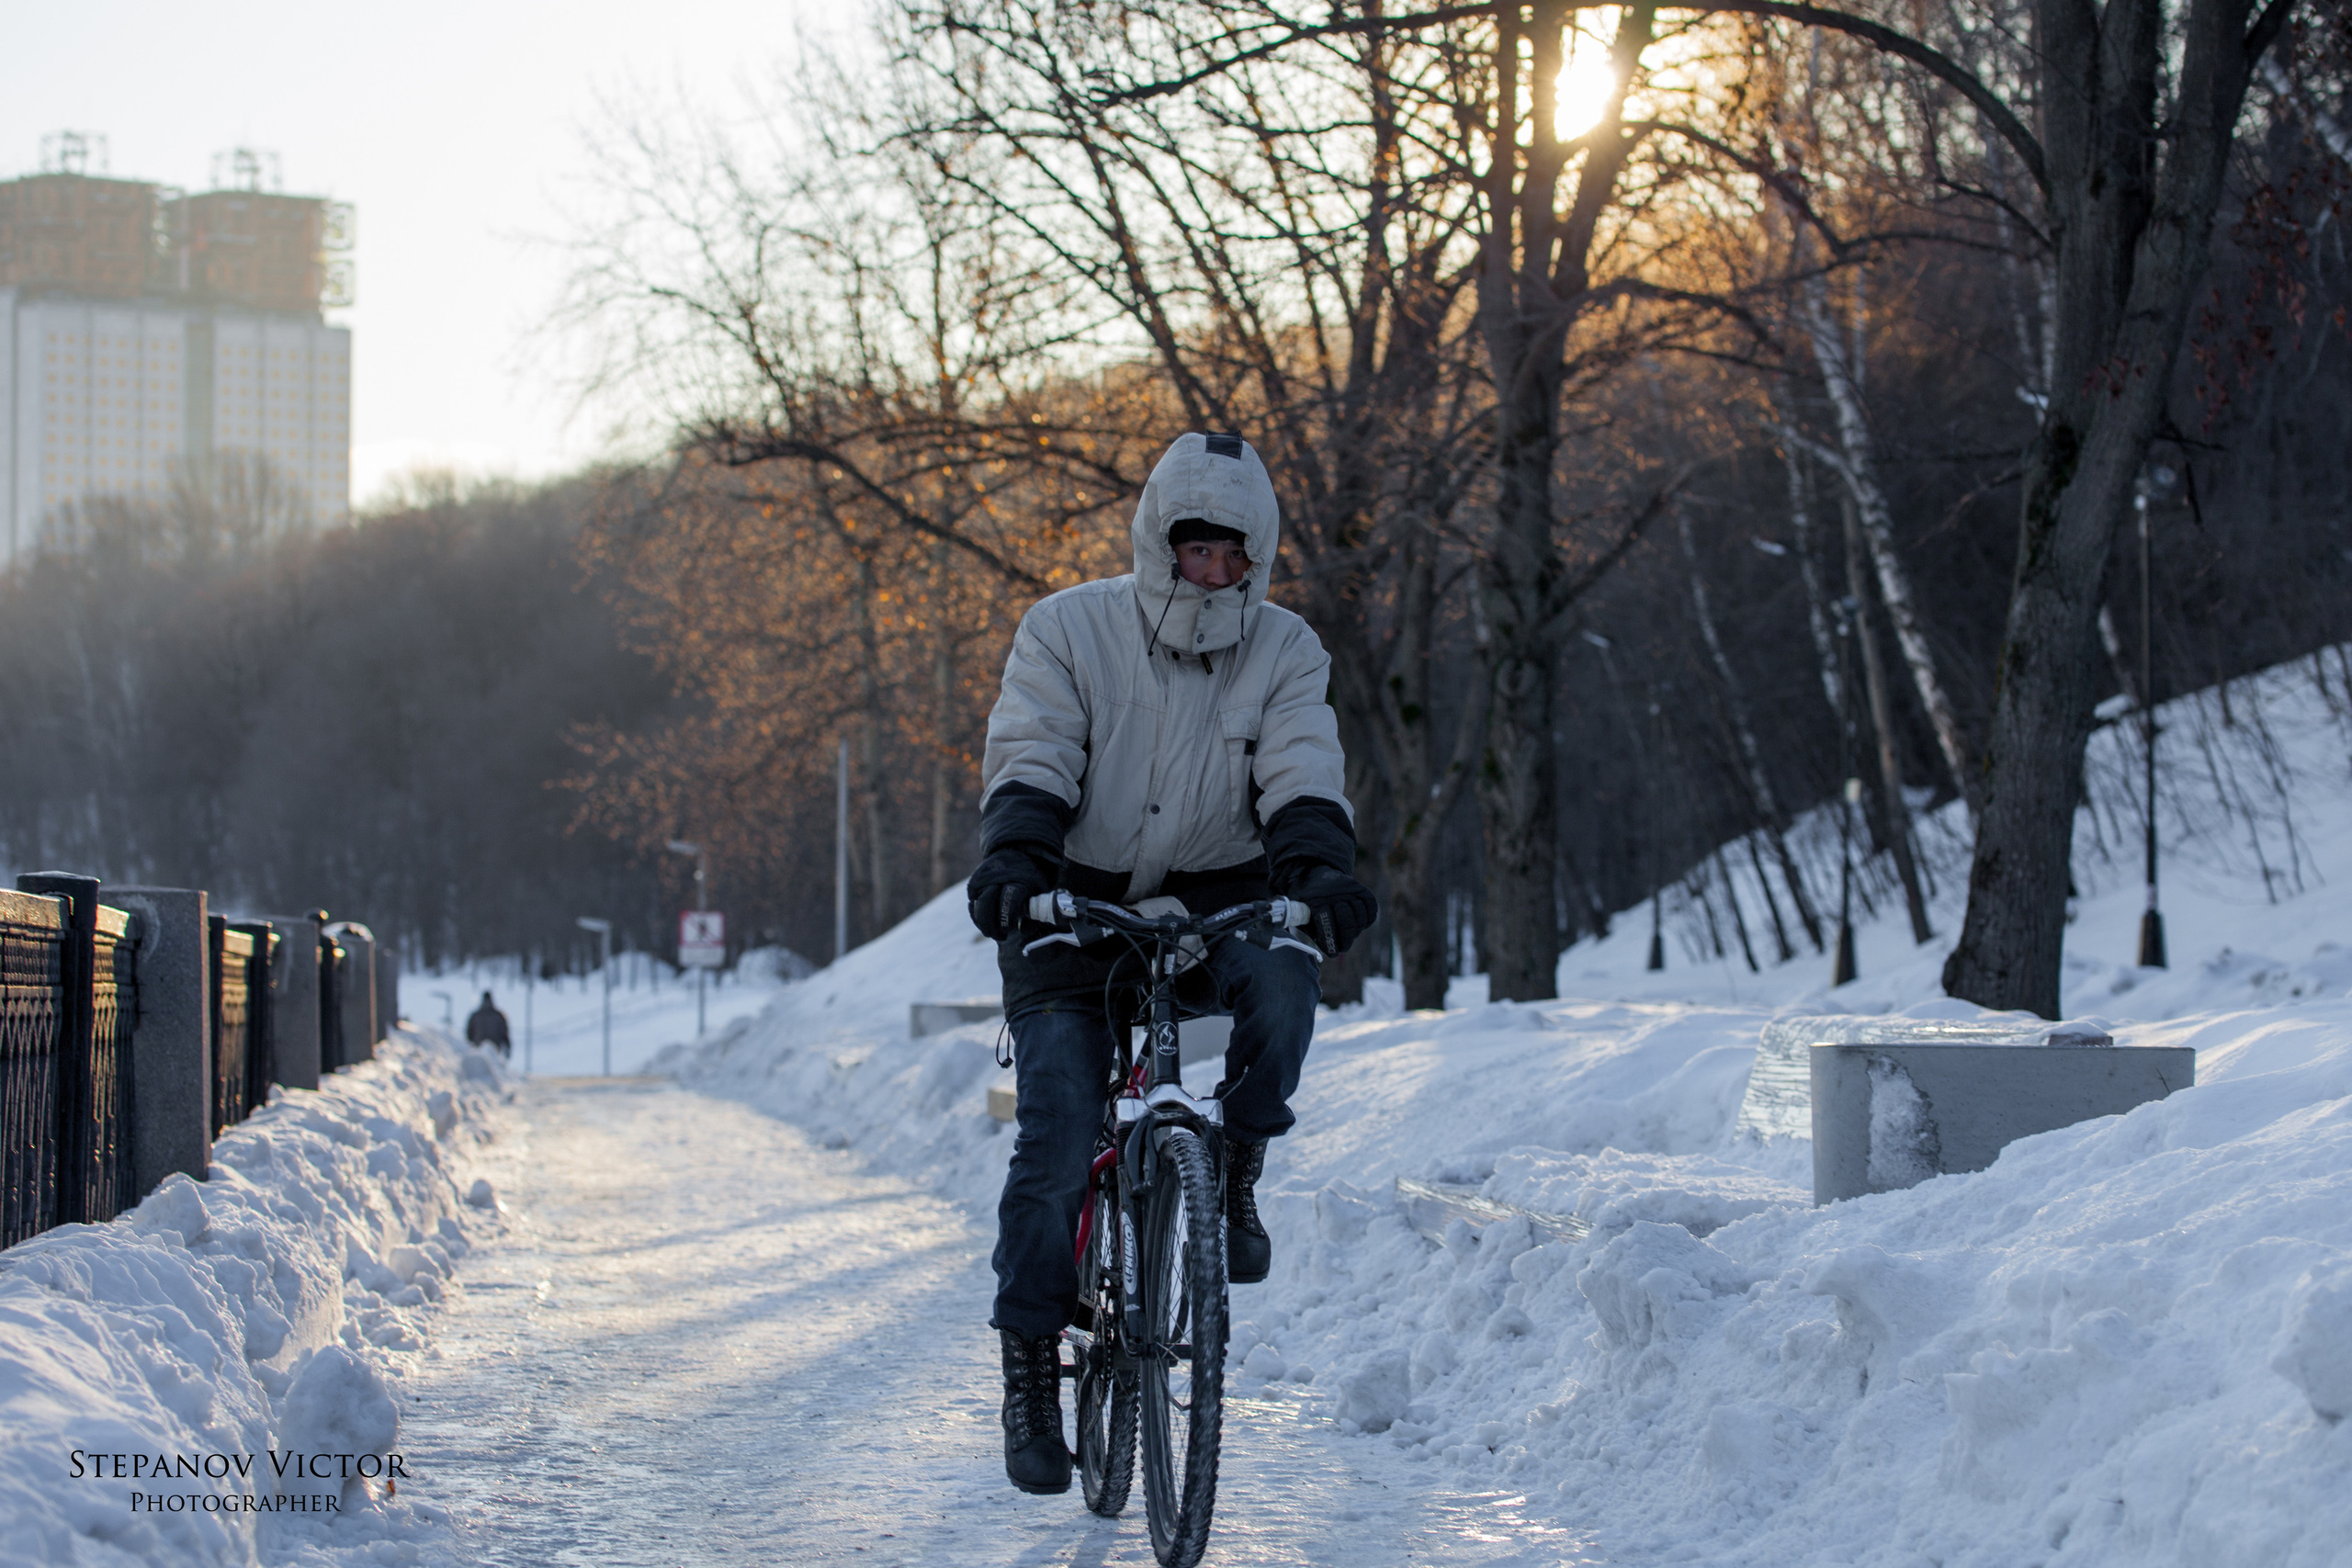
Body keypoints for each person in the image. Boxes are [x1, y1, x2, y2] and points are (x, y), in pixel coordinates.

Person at [967, 431, 1377, 1495]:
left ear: (1257, 557)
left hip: (1215, 896)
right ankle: (1030, 1374)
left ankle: (1234, 1166)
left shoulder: (1286, 649)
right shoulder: (1066, 629)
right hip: (1074, 897)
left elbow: (1299, 767)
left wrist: (1321, 873)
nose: (1211, 569)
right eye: (1192, 548)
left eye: (1231, 553)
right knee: (1058, 1137)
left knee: (1285, 984)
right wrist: (1016, 863)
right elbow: (1037, 750)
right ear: (1159, 543)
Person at [465, 991, 511, 1056]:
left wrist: (470, 1048)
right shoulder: (499, 1016)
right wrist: (507, 1049)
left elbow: (469, 1034)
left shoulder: (475, 1016)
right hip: (495, 1050)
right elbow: (504, 1034)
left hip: (478, 1049)